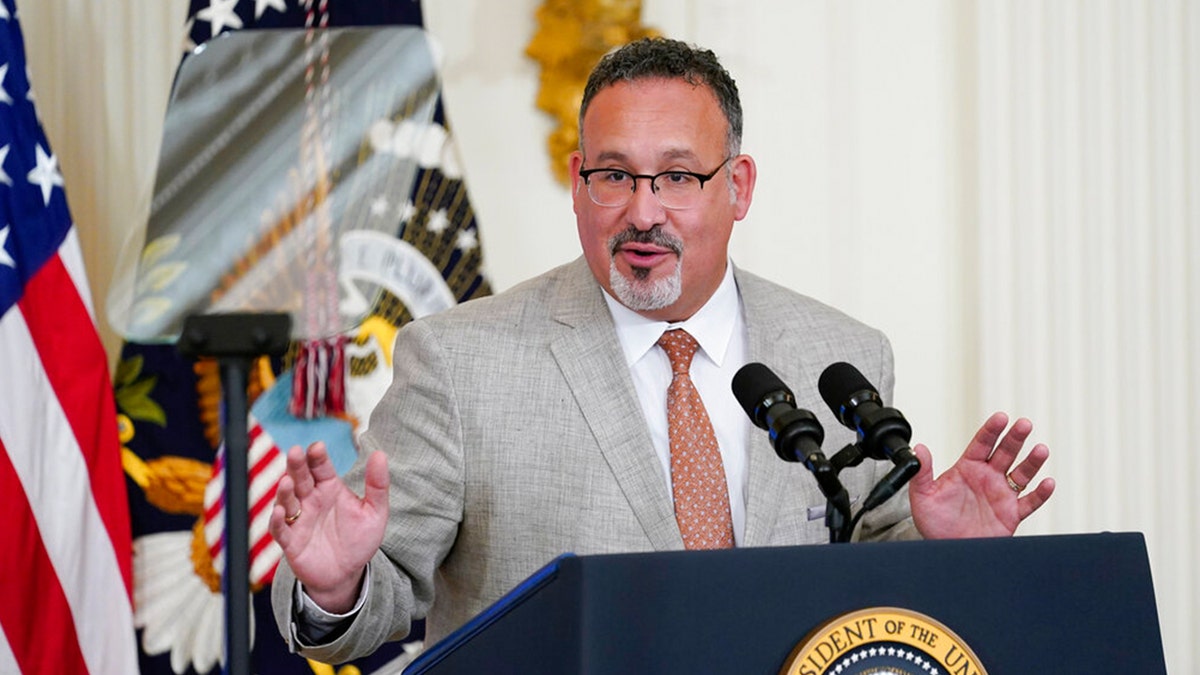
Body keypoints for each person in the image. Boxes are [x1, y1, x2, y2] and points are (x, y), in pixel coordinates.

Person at [268, 37, 1055, 663]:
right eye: (615, 175)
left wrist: (944, 554)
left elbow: (870, 585)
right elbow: (371, 597)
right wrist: (333, 587)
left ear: (738, 186)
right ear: (578, 180)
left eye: (678, 176)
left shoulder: (841, 354)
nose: (643, 212)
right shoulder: (460, 362)